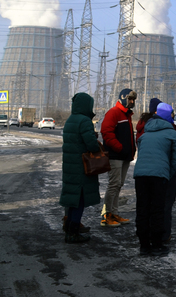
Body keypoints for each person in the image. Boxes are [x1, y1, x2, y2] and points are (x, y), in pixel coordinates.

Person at [133, 102, 176, 256]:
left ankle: (144, 245)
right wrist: (169, 172)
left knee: (142, 209)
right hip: (159, 175)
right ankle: (156, 245)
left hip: (140, 175)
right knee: (157, 210)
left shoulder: (145, 134)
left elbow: (141, 153)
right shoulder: (171, 133)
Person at [59, 92, 103, 244]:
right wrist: (94, 139)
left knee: (72, 200)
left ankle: (70, 229)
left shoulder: (71, 120)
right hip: (81, 168)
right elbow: (90, 144)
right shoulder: (84, 121)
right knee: (80, 200)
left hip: (71, 166)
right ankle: (73, 233)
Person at [100, 88, 137, 227]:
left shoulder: (126, 115)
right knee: (114, 184)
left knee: (118, 185)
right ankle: (107, 215)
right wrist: (120, 148)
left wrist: (130, 151)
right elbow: (106, 132)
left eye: (133, 100)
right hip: (116, 156)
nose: (132, 102)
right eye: (130, 99)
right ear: (123, 98)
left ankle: (114, 213)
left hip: (124, 157)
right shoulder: (114, 112)